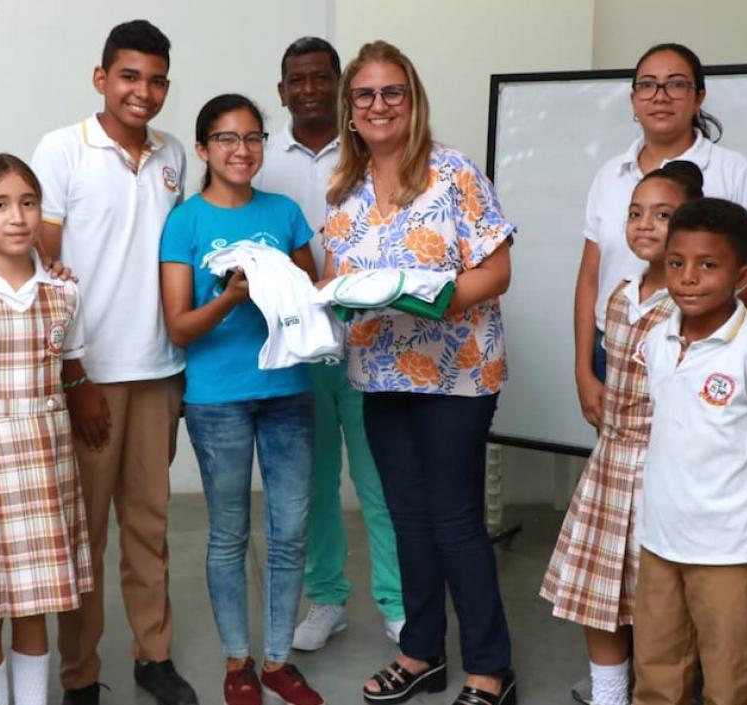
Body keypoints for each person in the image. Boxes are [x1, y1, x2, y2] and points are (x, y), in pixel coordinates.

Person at [320, 40, 517, 705]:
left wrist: (424, 297)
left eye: (391, 92)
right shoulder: (342, 192)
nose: (378, 106)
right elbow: (334, 281)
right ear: (350, 110)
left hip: (455, 373)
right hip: (380, 374)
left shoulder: (454, 172)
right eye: (365, 95)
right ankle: (422, 652)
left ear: (413, 101)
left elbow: (496, 270)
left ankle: (492, 667)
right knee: (406, 517)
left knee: (454, 519)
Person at [30, 19, 197, 705]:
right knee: (83, 533)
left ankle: (153, 655)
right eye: (130, 76)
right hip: (89, 375)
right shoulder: (62, 149)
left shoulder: (174, 155)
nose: (144, 91)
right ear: (102, 79)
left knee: (149, 527)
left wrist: (180, 365)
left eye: (157, 79)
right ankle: (80, 673)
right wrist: (74, 373)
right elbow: (45, 266)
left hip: (158, 370)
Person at [161, 93, 324, 705]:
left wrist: (287, 288)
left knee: (289, 532)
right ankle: (239, 661)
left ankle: (279, 660)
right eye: (226, 139)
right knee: (229, 534)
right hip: (217, 399)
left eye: (253, 137)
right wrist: (233, 297)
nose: (241, 149)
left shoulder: (283, 211)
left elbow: (311, 295)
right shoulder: (186, 221)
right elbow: (179, 326)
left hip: (287, 391)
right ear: (203, 149)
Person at [252, 35, 405, 652]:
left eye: (322, 78)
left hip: (372, 341)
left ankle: (397, 602)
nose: (310, 89)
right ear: (282, 90)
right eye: (298, 80)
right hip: (298, 350)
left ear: (340, 86)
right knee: (311, 484)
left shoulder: (376, 148)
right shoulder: (261, 161)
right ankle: (327, 599)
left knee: (381, 478)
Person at [0, 154, 108, 705]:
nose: (18, 217)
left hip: (43, 457)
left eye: (28, 203)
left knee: (34, 603)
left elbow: (69, 363)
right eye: (1, 204)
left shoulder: (63, 291)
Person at [541, 161, 702, 705]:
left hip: (666, 471)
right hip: (611, 465)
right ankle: (609, 694)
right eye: (636, 213)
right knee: (598, 593)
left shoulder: (691, 306)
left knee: (663, 603)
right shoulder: (620, 294)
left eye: (663, 214)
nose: (645, 225)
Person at [573, 42, 747, 442]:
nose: (660, 96)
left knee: (683, 472)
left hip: (700, 356)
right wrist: (583, 370)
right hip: (614, 353)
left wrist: (698, 331)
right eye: (648, 85)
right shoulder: (608, 175)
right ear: (633, 99)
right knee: (619, 478)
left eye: (676, 84)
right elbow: (589, 280)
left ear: (698, 97)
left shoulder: (733, 171)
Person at [631, 197, 747, 705]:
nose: (688, 278)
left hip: (729, 550)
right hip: (661, 541)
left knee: (728, 682)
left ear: (742, 274)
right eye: (677, 263)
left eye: (708, 265)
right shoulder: (658, 340)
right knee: (657, 674)